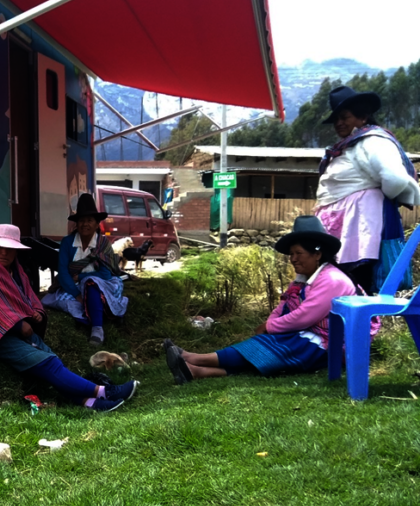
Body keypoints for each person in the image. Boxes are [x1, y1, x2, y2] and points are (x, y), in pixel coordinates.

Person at [164, 216, 376, 384]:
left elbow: (305, 316)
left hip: (334, 344)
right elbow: (284, 305)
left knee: (275, 346)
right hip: (312, 335)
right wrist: (271, 324)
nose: (293, 259)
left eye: (298, 253)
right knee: (271, 347)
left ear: (317, 254)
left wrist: (270, 327)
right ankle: (196, 371)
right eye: (291, 254)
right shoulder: (304, 280)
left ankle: (194, 358)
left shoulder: (332, 280)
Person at [0, 223, 137, 412]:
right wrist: (19, 326)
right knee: (50, 364)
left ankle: (91, 403)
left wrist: (36, 313)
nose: (4, 253)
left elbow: (27, 298)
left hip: (16, 332)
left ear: (16, 251)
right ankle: (105, 392)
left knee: (52, 362)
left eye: (9, 248)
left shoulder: (17, 272)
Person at [315, 86, 420, 294]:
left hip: (359, 226)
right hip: (347, 226)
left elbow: (394, 178)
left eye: (344, 117)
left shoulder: (373, 141)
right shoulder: (350, 145)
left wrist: (383, 197)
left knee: (356, 283)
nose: (339, 123)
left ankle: (360, 316)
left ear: (362, 117)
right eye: (336, 119)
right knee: (339, 285)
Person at [40, 193, 128, 347]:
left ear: (97, 224)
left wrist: (80, 277)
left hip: (102, 284)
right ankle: (100, 315)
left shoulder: (103, 244)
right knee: (70, 301)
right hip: (72, 286)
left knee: (90, 283)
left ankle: (97, 329)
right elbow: (63, 272)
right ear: (76, 224)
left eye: (89, 220)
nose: (85, 224)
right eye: (81, 220)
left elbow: (105, 274)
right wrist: (77, 294)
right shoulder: (67, 243)